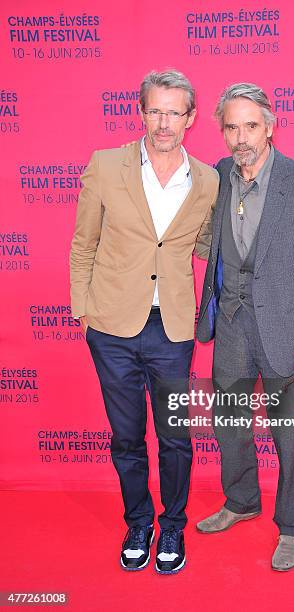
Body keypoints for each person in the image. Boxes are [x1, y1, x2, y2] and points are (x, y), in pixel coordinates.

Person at [69, 69, 218, 574]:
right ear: (141, 112)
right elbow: (82, 242)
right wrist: (83, 312)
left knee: (175, 436)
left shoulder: (207, 179)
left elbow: (202, 243)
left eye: (174, 112)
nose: (163, 122)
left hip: (172, 328)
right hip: (110, 325)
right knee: (127, 436)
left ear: (190, 118)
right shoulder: (106, 165)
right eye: (155, 110)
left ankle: (172, 525)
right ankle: (138, 522)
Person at [196, 83, 294, 571]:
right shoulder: (217, 176)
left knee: (288, 434)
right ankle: (241, 500)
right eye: (231, 127)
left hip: (284, 329)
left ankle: (293, 526)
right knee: (229, 423)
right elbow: (207, 243)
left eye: (250, 125)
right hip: (232, 324)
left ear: (270, 127)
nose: (240, 137)